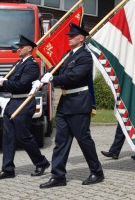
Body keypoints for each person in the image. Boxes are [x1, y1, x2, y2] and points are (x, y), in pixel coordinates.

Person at [38, 23, 104, 188]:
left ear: (81, 38)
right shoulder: (68, 55)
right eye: (69, 36)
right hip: (65, 103)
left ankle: (97, 172)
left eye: (72, 36)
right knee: (61, 141)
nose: (69, 38)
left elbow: (73, 77)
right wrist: (44, 76)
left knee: (83, 139)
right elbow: (57, 70)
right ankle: (58, 176)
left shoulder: (85, 56)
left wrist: (53, 79)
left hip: (79, 102)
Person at [0, 35, 50, 180]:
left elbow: (22, 85)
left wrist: (4, 83)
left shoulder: (31, 65)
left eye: (21, 47)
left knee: (23, 136)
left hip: (24, 103)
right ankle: (8, 169)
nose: (19, 49)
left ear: (29, 49)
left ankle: (41, 162)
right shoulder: (18, 64)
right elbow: (7, 79)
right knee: (8, 137)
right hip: (13, 104)